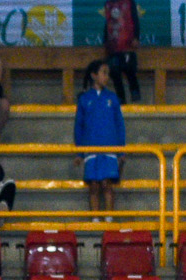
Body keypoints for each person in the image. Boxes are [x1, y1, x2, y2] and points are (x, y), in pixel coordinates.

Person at [75, 59, 124, 218]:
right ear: (94, 75)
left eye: (107, 73)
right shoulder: (84, 99)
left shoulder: (112, 98)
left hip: (109, 148)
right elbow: (79, 126)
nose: (106, 77)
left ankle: (109, 219)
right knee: (94, 185)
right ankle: (95, 219)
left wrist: (121, 150)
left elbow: (119, 124)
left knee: (107, 184)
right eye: (103, 73)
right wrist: (79, 152)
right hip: (91, 149)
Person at [103, 0, 139, 104]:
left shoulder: (129, 2)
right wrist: (105, 40)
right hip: (113, 44)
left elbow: (135, 19)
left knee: (130, 68)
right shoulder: (108, 3)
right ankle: (121, 97)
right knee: (114, 70)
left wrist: (136, 37)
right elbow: (107, 22)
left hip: (127, 43)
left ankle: (135, 91)